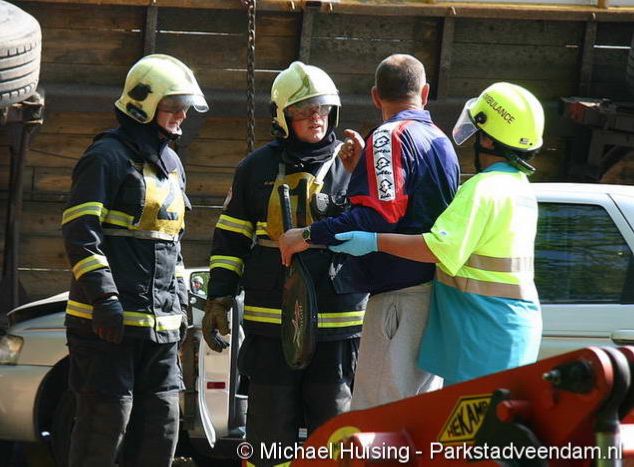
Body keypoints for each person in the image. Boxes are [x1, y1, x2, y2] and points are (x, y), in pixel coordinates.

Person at [202, 61, 368, 466]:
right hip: (270, 328)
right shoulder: (255, 168)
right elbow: (230, 240)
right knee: (268, 438)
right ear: (281, 116)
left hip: (336, 328)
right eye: (303, 110)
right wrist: (219, 298)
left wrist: (360, 178)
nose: (316, 117)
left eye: (322, 109)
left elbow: (374, 228)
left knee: (334, 439)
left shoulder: (354, 165)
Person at [329, 82, 544, 386]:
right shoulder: (518, 187)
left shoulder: (482, 189)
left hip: (485, 333)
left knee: (473, 414)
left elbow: (436, 248)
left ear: (487, 139)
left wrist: (374, 241)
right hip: (511, 327)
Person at [279, 54, 460, 409]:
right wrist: (362, 171)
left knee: (377, 417)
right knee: (418, 417)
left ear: (376, 96)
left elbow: (377, 218)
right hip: (437, 294)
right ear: (424, 92)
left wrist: (307, 236)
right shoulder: (441, 141)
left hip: (399, 300)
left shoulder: (388, 136)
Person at [61, 54, 208, 467]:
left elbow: (172, 243)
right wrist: (104, 299)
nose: (182, 115)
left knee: (162, 426)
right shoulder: (105, 157)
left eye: (185, 106)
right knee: (104, 427)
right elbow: (80, 233)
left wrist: (180, 305)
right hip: (107, 328)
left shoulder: (172, 164)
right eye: (173, 105)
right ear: (143, 105)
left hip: (160, 330)